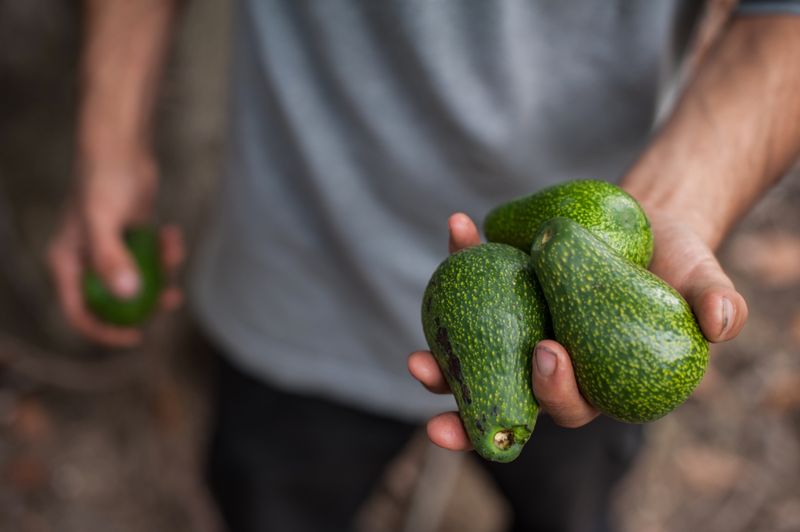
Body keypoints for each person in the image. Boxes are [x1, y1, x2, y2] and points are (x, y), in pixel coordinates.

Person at [48, 1, 800, 531]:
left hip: (577, 330)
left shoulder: (568, 257)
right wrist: (108, 142)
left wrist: (677, 200)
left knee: (569, 512)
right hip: (295, 275)